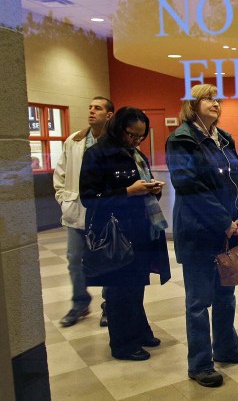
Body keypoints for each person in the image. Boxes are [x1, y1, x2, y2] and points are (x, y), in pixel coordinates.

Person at [166, 84, 238, 388]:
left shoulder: (224, 138)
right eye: (208, 98)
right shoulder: (180, 140)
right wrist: (223, 221)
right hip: (199, 232)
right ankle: (200, 363)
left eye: (217, 98)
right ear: (193, 104)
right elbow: (189, 187)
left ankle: (227, 348)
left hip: (228, 230)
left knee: (225, 294)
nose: (215, 102)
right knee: (199, 300)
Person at [79, 106, 171, 361]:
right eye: (132, 134)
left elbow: (143, 187)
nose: (136, 140)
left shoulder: (137, 154)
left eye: (141, 136)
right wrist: (128, 192)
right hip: (114, 234)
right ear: (119, 128)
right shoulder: (97, 154)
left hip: (140, 230)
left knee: (136, 287)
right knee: (119, 291)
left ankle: (139, 331)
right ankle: (122, 344)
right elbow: (88, 198)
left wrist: (152, 189)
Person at [53, 96, 113, 328]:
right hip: (75, 211)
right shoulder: (74, 140)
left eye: (97, 108)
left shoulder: (114, 143)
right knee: (74, 259)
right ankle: (80, 302)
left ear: (109, 115)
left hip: (103, 212)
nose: (91, 111)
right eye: (89, 107)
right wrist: (62, 198)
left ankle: (109, 304)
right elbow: (60, 173)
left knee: (108, 258)